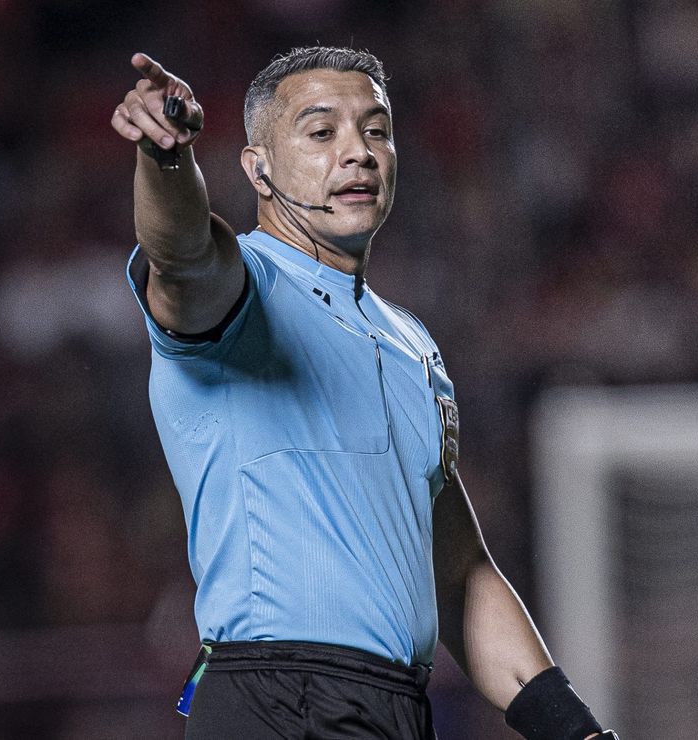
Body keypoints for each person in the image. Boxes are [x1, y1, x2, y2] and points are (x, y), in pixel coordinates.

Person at [111, 47, 617, 740]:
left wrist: (576, 732)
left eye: (376, 130)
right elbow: (182, 253)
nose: (358, 152)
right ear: (258, 167)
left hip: (396, 709)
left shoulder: (413, 346)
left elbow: (461, 573)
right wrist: (166, 157)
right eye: (321, 132)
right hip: (280, 702)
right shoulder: (245, 290)